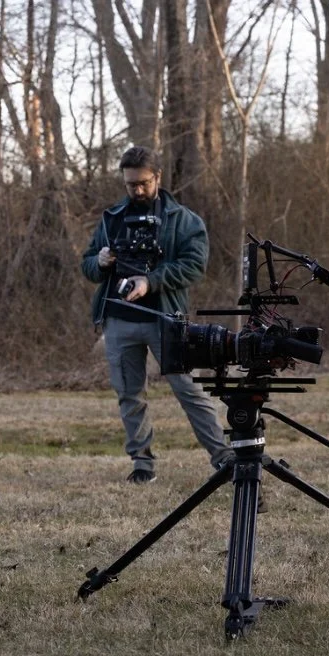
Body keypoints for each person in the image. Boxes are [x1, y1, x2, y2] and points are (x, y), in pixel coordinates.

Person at [80, 146, 232, 483]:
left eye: (143, 183)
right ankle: (142, 463)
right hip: (119, 320)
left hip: (166, 319)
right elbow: (87, 265)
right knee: (129, 394)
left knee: (188, 389)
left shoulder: (184, 220)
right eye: (130, 184)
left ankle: (223, 457)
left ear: (158, 178)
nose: (136, 190)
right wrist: (100, 262)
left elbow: (194, 266)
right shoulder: (111, 218)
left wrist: (150, 282)